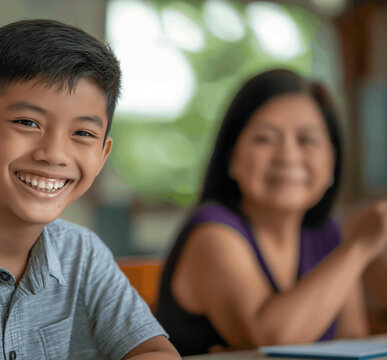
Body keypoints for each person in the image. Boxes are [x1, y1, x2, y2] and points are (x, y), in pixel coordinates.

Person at [0, 19, 181, 359]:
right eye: (28, 123)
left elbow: (156, 352)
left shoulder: (81, 253)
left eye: (82, 133)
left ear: (102, 155)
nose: (54, 153)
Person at [154, 69, 387, 356]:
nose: (287, 156)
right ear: (232, 157)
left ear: (331, 163)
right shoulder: (212, 234)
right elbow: (270, 340)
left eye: (307, 140)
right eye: (265, 138)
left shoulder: (328, 234)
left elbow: (353, 342)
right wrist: (360, 246)